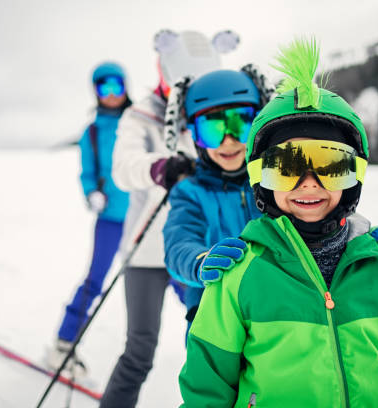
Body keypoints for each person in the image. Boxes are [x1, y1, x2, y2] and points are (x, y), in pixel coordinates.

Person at [179, 38, 378, 407]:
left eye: (331, 166)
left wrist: (373, 251)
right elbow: (206, 390)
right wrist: (200, 261)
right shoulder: (239, 276)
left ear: (354, 176)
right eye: (287, 167)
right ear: (261, 177)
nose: (309, 182)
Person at [99, 29, 239, 408]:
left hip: (196, 247)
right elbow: (123, 169)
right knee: (139, 351)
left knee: (212, 342)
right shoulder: (141, 114)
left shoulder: (210, 111)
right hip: (147, 252)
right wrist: (162, 167)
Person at [162, 67, 268, 334]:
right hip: (215, 322)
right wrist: (202, 261)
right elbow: (178, 244)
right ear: (195, 137)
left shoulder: (276, 181)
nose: (228, 141)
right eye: (212, 129)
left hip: (279, 314)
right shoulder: (190, 192)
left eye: (239, 124)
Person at [47, 61, 132, 377]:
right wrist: (91, 193)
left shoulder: (138, 122)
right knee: (95, 280)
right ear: (96, 92)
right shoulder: (93, 132)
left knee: (178, 279)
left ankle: (214, 351)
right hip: (110, 219)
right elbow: (87, 173)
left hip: (144, 218)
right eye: (104, 88)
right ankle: (62, 345)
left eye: (117, 87)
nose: (111, 94)